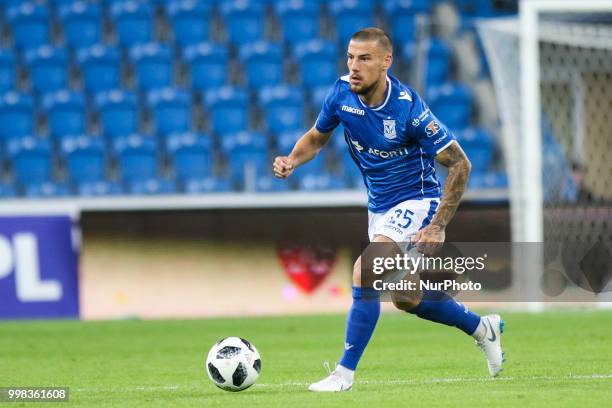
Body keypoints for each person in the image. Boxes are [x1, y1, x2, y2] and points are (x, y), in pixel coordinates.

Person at [273, 28, 504, 392]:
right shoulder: (340, 94)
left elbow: (460, 164)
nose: (354, 66)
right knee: (406, 298)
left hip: (417, 202)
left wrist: (439, 224)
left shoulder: (409, 110)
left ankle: (343, 375)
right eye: (350, 57)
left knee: (365, 272)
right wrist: (292, 160)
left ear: (386, 62)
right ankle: (481, 327)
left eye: (364, 58)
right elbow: (317, 138)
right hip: (379, 209)